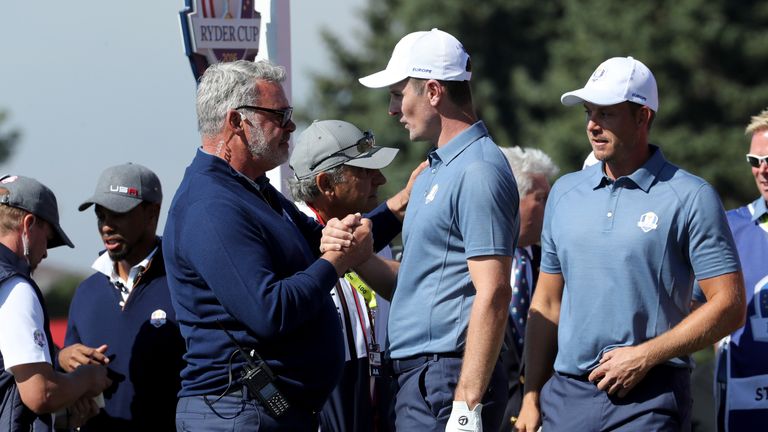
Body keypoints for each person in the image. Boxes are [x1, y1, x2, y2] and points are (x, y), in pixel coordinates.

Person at [163, 60, 408, 431]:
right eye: (279, 115)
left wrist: (395, 208)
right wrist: (337, 261)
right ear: (236, 123)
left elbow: (321, 240)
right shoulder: (212, 205)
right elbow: (270, 311)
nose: (291, 126)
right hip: (236, 413)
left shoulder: (252, 189)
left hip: (266, 412)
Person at [515, 56, 746, 432]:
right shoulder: (564, 192)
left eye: (607, 114)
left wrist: (645, 356)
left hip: (650, 396)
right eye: (589, 112)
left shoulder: (691, 195)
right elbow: (547, 303)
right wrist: (531, 396)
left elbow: (730, 305)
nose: (592, 125)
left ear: (643, 117)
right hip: (566, 398)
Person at [355, 28, 520, 432]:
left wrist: (467, 402)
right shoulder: (433, 172)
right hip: (426, 376)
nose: (393, 109)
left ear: (432, 91)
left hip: (449, 377)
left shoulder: (477, 170)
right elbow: (418, 283)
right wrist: (354, 256)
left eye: (398, 94)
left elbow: (494, 290)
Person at [289, 119, 400, 432]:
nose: (380, 179)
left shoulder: (372, 233)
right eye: (365, 171)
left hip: (380, 393)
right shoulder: (291, 242)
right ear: (326, 184)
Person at [58, 163, 184, 431]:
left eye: (118, 214)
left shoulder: (185, 283)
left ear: (152, 213)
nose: (106, 226)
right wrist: (63, 359)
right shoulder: (86, 292)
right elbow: (70, 373)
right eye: (101, 215)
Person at [0, 175, 111, 431]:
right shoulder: (16, 288)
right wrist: (86, 379)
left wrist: (63, 421)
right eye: (48, 239)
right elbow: (40, 394)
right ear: (28, 225)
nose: (46, 252)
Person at [691, 108, 768, 431]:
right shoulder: (730, 227)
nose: (763, 171)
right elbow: (694, 305)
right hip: (745, 403)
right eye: (755, 161)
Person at [496, 146, 558, 432]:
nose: (552, 208)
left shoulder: (556, 268)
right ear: (511, 200)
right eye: (542, 199)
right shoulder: (467, 266)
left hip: (547, 418)